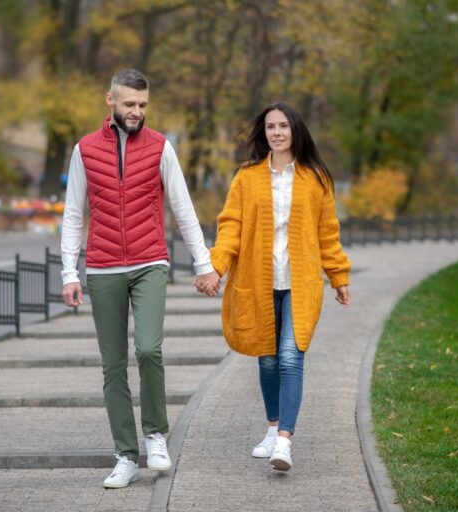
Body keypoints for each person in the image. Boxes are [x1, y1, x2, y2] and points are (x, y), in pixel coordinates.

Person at [61, 68, 220, 488]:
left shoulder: (160, 147)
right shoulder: (84, 150)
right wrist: (68, 272)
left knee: (149, 349)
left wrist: (203, 263)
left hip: (150, 262)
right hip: (102, 267)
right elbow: (74, 214)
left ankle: (155, 435)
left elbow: (183, 209)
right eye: (129, 104)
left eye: (143, 105)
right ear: (109, 101)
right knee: (113, 366)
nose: (137, 112)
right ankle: (125, 455)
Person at [204, 102, 352, 472]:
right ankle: (272, 427)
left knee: (290, 356)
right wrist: (215, 266)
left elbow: (327, 233)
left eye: (283, 126)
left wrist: (339, 276)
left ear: (295, 130)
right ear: (263, 133)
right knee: (267, 358)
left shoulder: (316, 178)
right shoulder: (247, 177)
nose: (277, 133)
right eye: (270, 127)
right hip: (259, 281)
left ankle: (285, 440)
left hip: (300, 284)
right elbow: (231, 226)